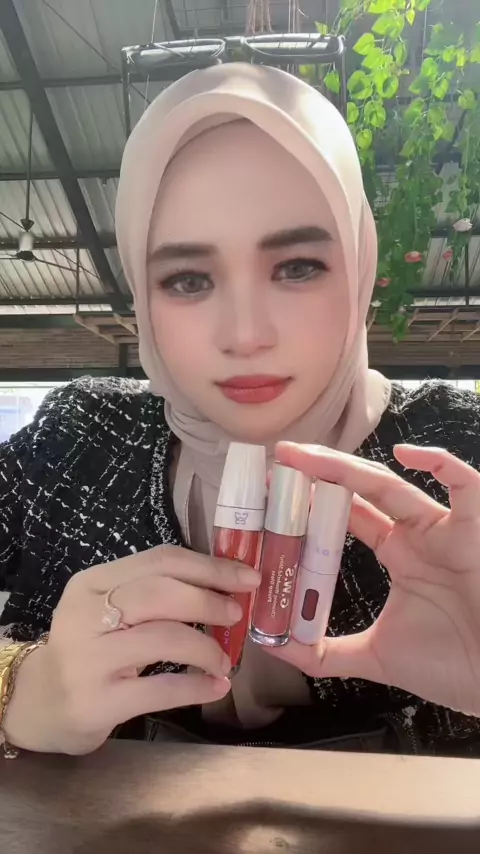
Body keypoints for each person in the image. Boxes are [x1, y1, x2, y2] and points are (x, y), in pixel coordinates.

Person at [1, 62, 480, 758]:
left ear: (358, 265)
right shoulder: (80, 442)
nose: (246, 334)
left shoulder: (456, 456)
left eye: (297, 267)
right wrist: (20, 687)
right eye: (187, 279)